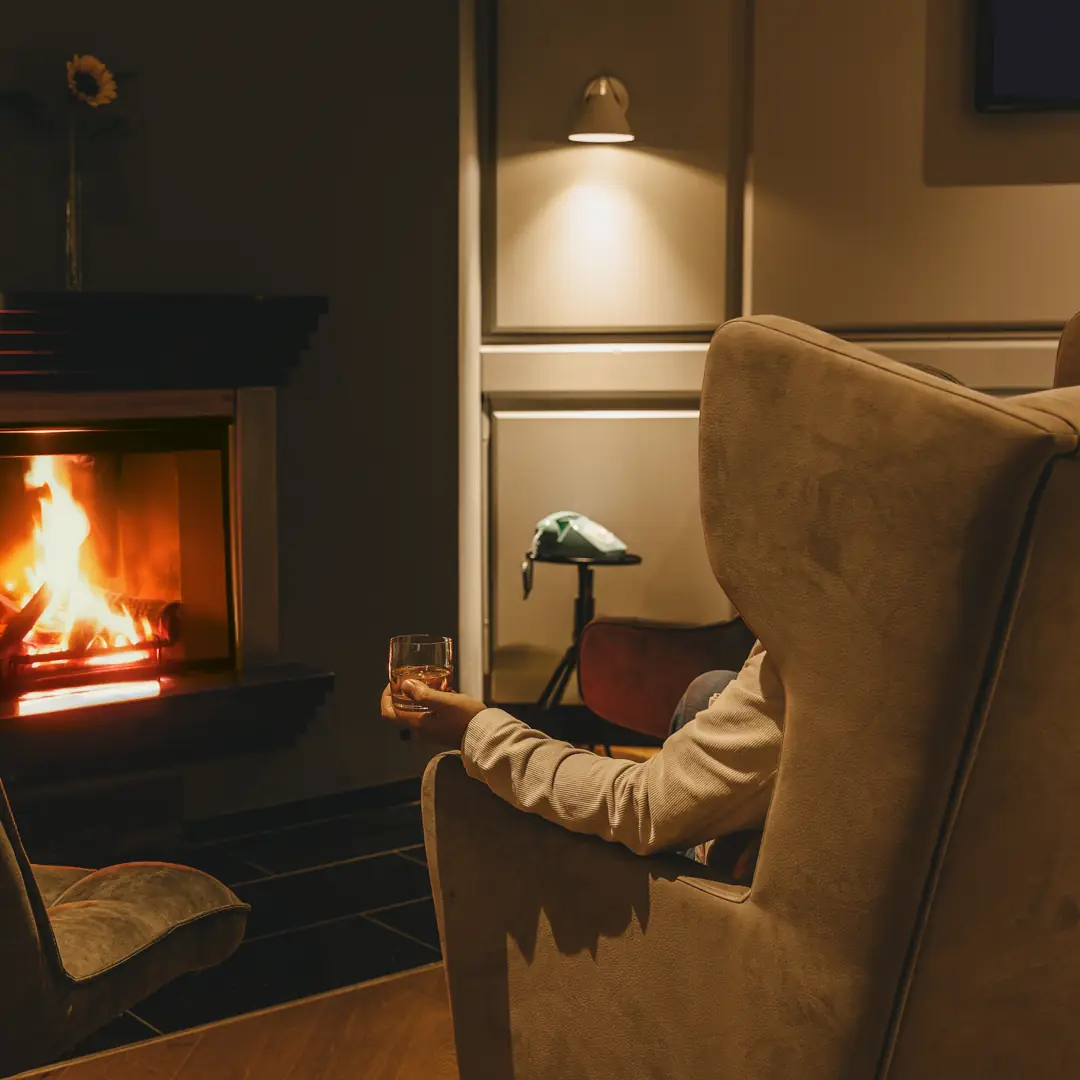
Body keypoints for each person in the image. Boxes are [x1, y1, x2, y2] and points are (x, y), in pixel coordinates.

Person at [380, 635, 785, 879]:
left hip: (737, 918)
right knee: (709, 688)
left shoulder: (795, 660)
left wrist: (474, 731)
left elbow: (641, 806)